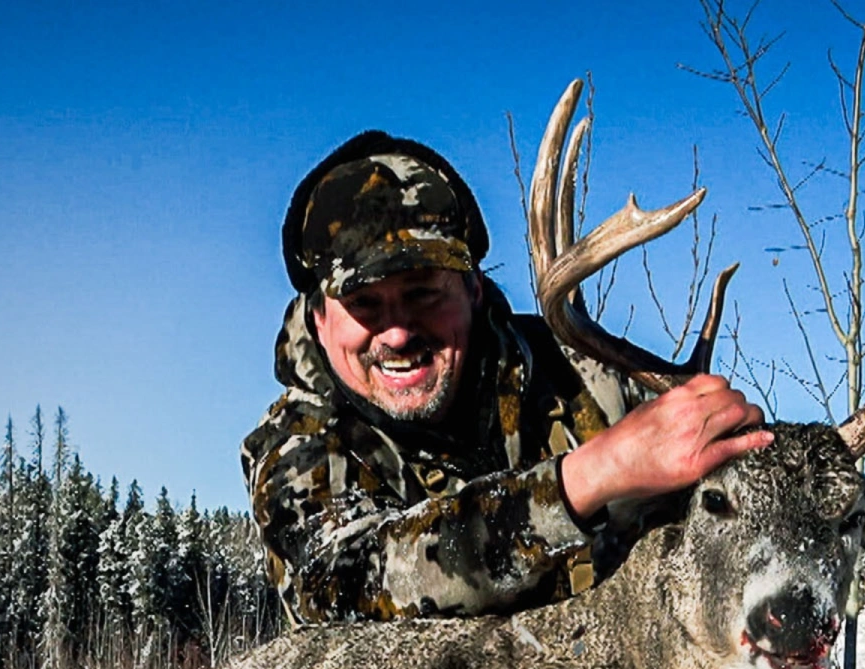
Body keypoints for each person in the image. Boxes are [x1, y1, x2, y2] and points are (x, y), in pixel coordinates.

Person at [242, 131, 771, 625]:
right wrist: (593, 475)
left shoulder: (584, 379)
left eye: (423, 292)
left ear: (473, 288)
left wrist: (736, 442)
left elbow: (749, 491)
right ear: (318, 318)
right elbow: (350, 585)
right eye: (364, 304)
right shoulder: (300, 448)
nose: (398, 334)